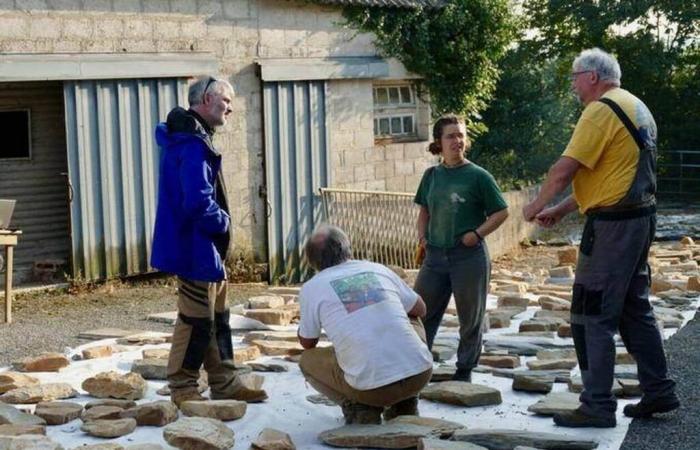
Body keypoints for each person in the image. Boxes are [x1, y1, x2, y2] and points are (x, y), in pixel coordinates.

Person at [523, 48, 678, 428]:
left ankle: (596, 404)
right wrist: (560, 211)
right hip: (639, 221)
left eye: (575, 77)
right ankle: (659, 390)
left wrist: (534, 205)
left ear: (592, 76)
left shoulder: (600, 111)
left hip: (611, 230)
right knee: (634, 308)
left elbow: (565, 169)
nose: (574, 85)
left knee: (590, 314)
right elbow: (608, 176)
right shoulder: (636, 107)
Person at [151, 76, 267, 407]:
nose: (230, 107)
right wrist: (223, 222)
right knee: (196, 320)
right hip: (195, 248)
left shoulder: (195, 138)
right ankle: (184, 387)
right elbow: (197, 202)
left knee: (217, 318)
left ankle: (224, 381)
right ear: (205, 100)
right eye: (225, 100)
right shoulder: (191, 143)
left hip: (206, 249)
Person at [297, 225, 433, 424]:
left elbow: (308, 343)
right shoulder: (376, 268)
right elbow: (421, 309)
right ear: (348, 249)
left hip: (370, 391)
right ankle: (405, 403)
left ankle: (359, 406)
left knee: (307, 360)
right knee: (410, 314)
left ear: (311, 261)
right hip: (419, 376)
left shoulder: (312, 287)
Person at [413, 114, 509, 382]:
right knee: (420, 312)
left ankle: (464, 370)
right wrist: (421, 237)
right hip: (434, 256)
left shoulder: (479, 176)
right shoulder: (431, 175)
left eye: (460, 135)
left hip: (468, 256)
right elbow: (424, 210)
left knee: (470, 316)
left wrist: (477, 234)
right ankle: (418, 366)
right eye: (450, 136)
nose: (457, 141)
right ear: (438, 142)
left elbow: (501, 212)